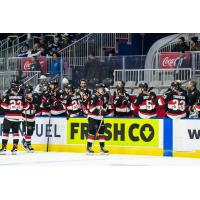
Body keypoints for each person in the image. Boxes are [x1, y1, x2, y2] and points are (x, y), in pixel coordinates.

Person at [0, 80, 29, 155]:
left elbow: (3, 105)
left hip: (9, 117)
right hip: (18, 117)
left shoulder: (8, 95)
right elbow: (26, 107)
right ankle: (15, 148)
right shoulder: (22, 96)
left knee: (5, 132)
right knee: (15, 132)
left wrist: (8, 106)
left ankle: (3, 148)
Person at [86, 84, 109, 154]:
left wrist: (105, 110)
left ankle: (102, 148)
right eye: (101, 88)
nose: (102, 90)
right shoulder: (93, 96)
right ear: (97, 89)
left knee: (101, 133)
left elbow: (102, 107)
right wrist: (101, 112)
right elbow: (91, 108)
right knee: (92, 133)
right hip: (93, 117)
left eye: (103, 88)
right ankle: (88, 148)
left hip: (100, 118)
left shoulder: (101, 97)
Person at [22, 85, 41, 152]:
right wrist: (31, 106)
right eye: (29, 93)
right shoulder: (24, 100)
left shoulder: (34, 99)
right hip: (25, 118)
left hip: (32, 117)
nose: (30, 94)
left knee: (31, 132)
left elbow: (38, 107)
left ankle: (24, 141)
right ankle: (28, 145)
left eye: (31, 93)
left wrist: (36, 107)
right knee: (28, 132)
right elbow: (22, 108)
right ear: (26, 94)